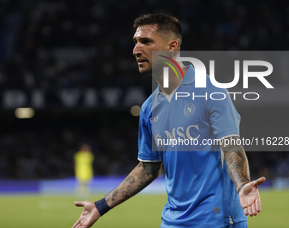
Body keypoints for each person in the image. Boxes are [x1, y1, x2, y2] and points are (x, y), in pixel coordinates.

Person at [72, 13, 266, 228]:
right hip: (172, 222)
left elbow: (231, 146)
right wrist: (100, 207)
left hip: (217, 221)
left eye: (146, 42)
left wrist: (242, 186)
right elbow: (148, 168)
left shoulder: (211, 92)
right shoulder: (148, 108)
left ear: (172, 46)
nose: (136, 50)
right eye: (135, 42)